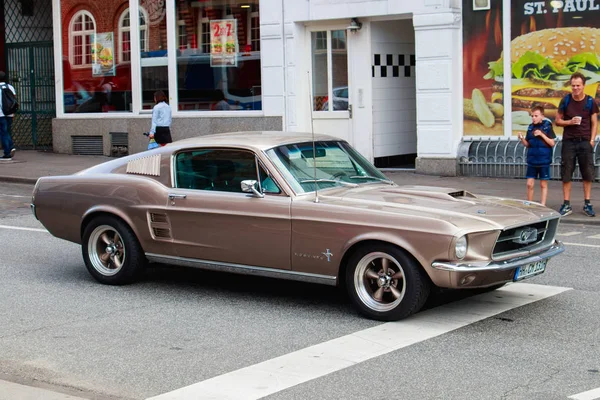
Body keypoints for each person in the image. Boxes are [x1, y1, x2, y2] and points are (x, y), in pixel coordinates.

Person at [555, 72, 598, 217]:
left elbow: (594, 123)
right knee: (566, 173)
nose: (575, 88)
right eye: (573, 86)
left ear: (584, 86)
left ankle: (587, 203)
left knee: (587, 173)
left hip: (585, 142)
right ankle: (566, 204)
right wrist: (570, 122)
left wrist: (592, 140)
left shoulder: (590, 101)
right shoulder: (565, 100)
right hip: (569, 142)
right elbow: (558, 121)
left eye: (578, 85)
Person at [518, 106, 556, 206]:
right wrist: (522, 139)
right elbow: (528, 144)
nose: (534, 118)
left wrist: (541, 134)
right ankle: (530, 203)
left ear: (542, 116)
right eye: (532, 116)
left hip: (544, 159)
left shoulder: (547, 126)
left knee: (543, 184)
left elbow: (552, 143)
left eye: (536, 116)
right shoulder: (530, 127)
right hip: (532, 159)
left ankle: (543, 204)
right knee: (529, 184)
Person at [0, 71, 16, 161]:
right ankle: (10, 147)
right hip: (9, 113)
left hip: (1, 114)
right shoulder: (10, 87)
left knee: (3, 133)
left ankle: (7, 153)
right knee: (6, 132)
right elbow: (14, 100)